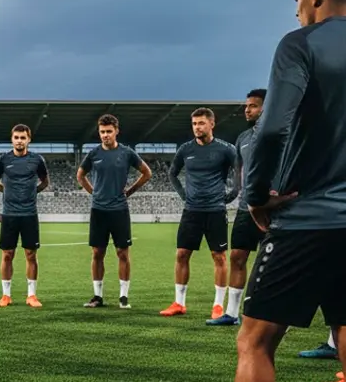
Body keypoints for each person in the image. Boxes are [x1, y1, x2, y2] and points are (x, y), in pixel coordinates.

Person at [189, 0, 346, 382]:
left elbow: (274, 127)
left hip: (307, 218)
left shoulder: (300, 44)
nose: (298, 7)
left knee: (255, 340)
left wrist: (256, 197)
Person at [161, 108, 238, 319]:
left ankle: (217, 305)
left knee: (219, 257)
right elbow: (172, 173)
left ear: (212, 124)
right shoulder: (186, 149)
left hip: (215, 210)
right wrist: (184, 195)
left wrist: (232, 194)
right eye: (194, 124)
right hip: (191, 211)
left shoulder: (225, 149)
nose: (197, 127)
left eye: (201, 123)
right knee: (182, 254)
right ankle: (179, 302)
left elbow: (241, 170)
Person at [77, 114, 152, 309]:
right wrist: (93, 192)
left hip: (119, 209)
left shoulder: (126, 153)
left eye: (109, 132)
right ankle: (97, 296)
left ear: (116, 131)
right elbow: (80, 175)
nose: (105, 135)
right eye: (102, 132)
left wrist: (130, 191)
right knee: (97, 253)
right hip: (99, 210)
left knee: (122, 253)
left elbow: (147, 172)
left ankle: (123, 297)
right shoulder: (93, 154)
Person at [207, 90, 266, 326]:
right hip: (245, 207)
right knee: (237, 256)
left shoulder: (283, 133)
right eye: (246, 106)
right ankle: (232, 313)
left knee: (273, 263)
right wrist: (233, 195)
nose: (247, 110)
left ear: (266, 107)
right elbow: (238, 173)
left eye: (253, 106)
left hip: (273, 209)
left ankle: (272, 315)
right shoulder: (242, 138)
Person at [0, 124, 49, 308]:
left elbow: (45, 182)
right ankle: (6, 295)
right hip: (9, 214)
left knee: (31, 254)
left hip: (29, 214)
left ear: (28, 140)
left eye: (23, 138)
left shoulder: (37, 160)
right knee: (7, 254)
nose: (20, 141)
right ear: (12, 139)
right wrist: (8, 193)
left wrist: (32, 192)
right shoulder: (3, 160)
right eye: (16, 137)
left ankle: (31, 295)